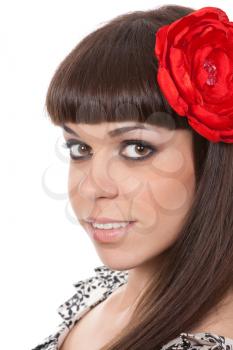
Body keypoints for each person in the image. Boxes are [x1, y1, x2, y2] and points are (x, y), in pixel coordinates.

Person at [31, 4, 233, 350]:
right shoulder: (105, 296)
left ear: (213, 162)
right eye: (80, 148)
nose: (92, 186)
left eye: (136, 148)